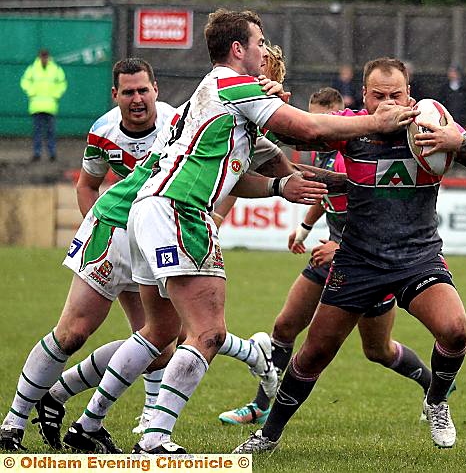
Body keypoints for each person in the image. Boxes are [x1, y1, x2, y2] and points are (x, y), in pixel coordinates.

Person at [61, 10, 416, 456]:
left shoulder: (219, 97)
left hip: (151, 210)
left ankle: (85, 423)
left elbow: (278, 164)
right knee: (205, 334)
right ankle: (154, 440)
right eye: (259, 42)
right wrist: (376, 123)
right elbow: (307, 128)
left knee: (160, 332)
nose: (264, 50)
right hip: (178, 209)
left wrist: (289, 183)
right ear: (238, 49)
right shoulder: (231, 85)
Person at [0, 57, 290, 453]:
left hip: (152, 227)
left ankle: (76, 409)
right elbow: (88, 184)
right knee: (76, 332)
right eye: (128, 92)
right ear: (115, 94)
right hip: (120, 224)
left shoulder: (188, 114)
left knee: (158, 342)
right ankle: (15, 423)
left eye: (143, 90)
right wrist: (97, 231)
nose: (137, 100)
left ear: (156, 89)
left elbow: (245, 164)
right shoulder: (102, 130)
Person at [233, 56, 466, 454]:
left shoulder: (433, 124)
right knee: (314, 353)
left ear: (409, 93)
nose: (388, 102)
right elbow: (299, 136)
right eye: (378, 95)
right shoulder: (353, 127)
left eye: (396, 94)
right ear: (365, 95)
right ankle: (267, 436)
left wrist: (458, 142)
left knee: (455, 328)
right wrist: (270, 103)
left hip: (417, 258)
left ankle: (436, 400)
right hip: (358, 261)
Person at [219, 87, 436, 426]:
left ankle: (432, 385)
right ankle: (262, 406)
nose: (318, 126)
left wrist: (342, 246)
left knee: (378, 350)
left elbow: (374, 207)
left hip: (363, 259)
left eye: (326, 119)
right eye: (314, 118)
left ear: (343, 116)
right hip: (327, 254)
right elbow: (326, 192)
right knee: (285, 325)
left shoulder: (353, 146)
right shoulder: (323, 151)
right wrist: (305, 229)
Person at [20, 49, 67, 162]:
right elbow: (24, 82)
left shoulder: (55, 69)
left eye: (45, 57)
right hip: (37, 106)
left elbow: (62, 83)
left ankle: (51, 154)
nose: (44, 59)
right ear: (40, 57)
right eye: (42, 57)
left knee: (49, 131)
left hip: (50, 106)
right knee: (38, 131)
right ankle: (38, 154)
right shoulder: (33, 69)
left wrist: (55, 94)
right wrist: (32, 92)